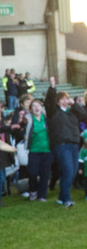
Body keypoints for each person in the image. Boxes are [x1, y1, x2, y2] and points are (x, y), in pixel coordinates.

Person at [44, 77, 87, 207]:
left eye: (66, 98)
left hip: (74, 144)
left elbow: (84, 116)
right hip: (61, 145)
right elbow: (49, 103)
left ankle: (61, 198)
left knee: (72, 173)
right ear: (58, 101)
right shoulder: (54, 112)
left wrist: (73, 104)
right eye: (62, 99)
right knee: (68, 171)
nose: (65, 101)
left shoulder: (73, 112)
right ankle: (67, 200)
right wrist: (52, 87)